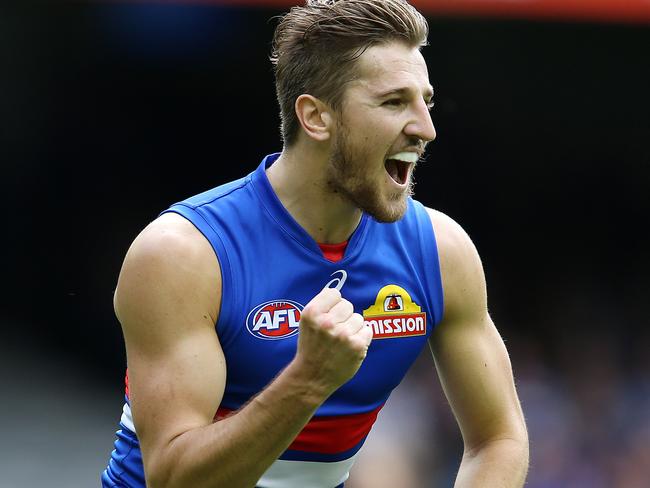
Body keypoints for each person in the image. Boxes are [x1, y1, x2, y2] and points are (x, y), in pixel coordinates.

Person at [102, 1, 529, 487]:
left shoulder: (440, 250)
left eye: (425, 102)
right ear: (315, 117)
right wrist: (308, 380)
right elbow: (174, 479)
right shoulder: (183, 254)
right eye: (394, 102)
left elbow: (498, 438)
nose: (426, 128)